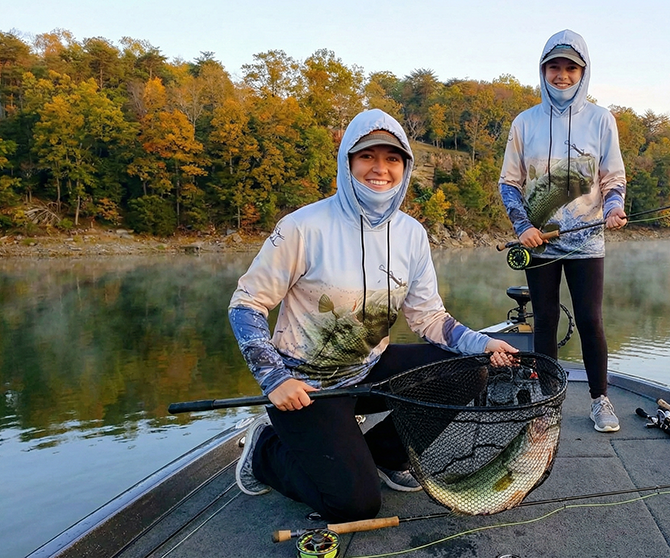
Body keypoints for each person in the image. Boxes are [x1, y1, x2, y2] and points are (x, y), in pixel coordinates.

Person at [228, 108, 518, 522]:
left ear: (405, 166)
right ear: (348, 160)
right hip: (306, 386)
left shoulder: (411, 234)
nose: (379, 169)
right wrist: (275, 378)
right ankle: (265, 452)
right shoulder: (303, 226)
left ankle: (384, 454)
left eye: (392, 158)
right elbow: (246, 304)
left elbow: (429, 318)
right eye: (367, 156)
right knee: (355, 506)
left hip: (369, 368)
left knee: (469, 369)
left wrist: (483, 343)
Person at [498, 30, 627, 432]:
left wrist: (614, 207)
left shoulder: (602, 119)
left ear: (583, 72)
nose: (562, 75)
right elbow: (509, 183)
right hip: (540, 243)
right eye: (554, 66)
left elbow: (613, 177)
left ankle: (599, 399)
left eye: (571, 67)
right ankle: (546, 401)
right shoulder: (525, 122)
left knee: (590, 320)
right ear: (543, 70)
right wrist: (522, 227)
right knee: (545, 319)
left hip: (587, 240)